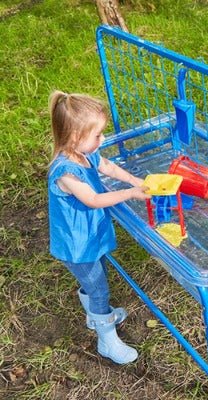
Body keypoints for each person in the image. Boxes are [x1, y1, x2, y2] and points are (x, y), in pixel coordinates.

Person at [48, 91, 151, 364]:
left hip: (90, 235)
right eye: (97, 135)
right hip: (76, 244)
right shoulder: (66, 172)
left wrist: (134, 180)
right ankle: (107, 340)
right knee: (98, 288)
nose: (102, 140)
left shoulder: (84, 154)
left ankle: (96, 315)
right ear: (74, 137)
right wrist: (130, 194)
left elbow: (107, 166)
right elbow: (93, 200)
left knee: (96, 275)